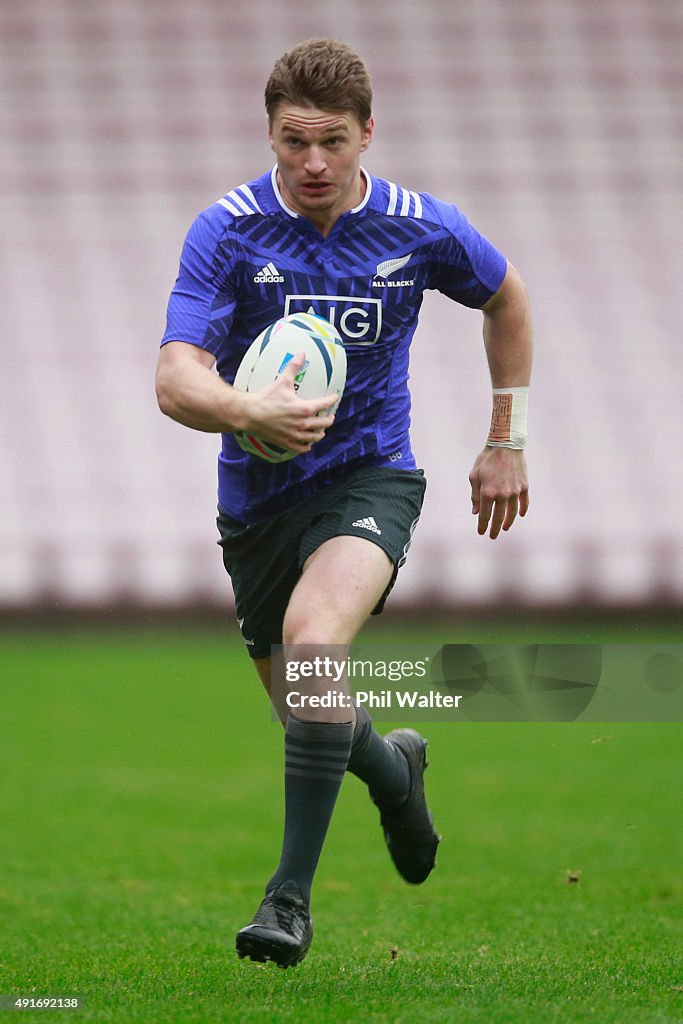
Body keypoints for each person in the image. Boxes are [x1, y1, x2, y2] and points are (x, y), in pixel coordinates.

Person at [156, 38, 532, 968]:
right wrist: (250, 410)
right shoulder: (227, 228)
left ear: (369, 133)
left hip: (372, 477)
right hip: (257, 500)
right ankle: (394, 769)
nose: (313, 163)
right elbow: (174, 380)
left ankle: (287, 903)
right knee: (309, 711)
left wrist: (505, 439)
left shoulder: (420, 225)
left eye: (332, 141)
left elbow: (507, 298)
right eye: (294, 142)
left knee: (318, 646)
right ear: (271, 136)